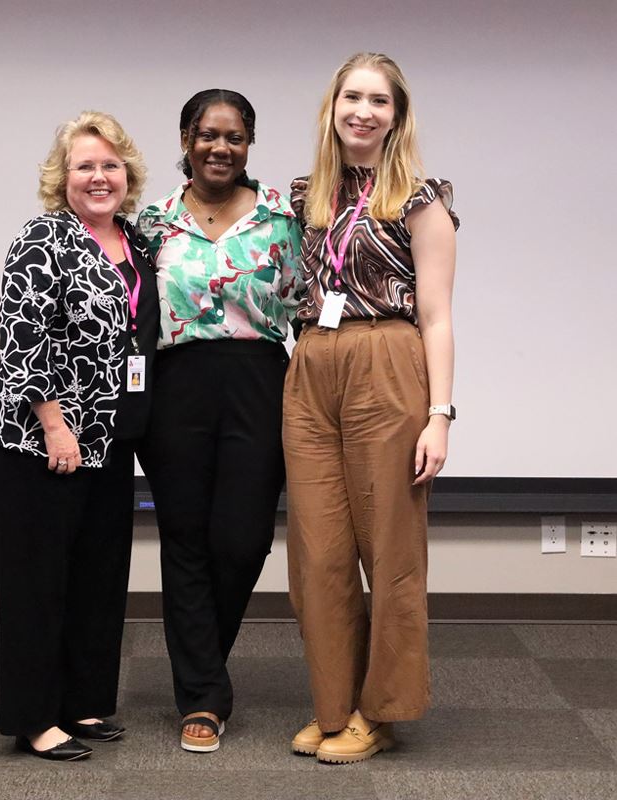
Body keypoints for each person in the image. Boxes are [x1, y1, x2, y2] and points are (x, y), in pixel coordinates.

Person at [284, 52, 459, 764]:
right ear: (332, 108)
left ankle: (380, 710)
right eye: (351, 97)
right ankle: (334, 705)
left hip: (387, 360)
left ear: (397, 116)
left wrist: (440, 415)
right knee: (318, 552)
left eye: (379, 101)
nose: (363, 111)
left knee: (390, 550)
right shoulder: (306, 197)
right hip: (311, 363)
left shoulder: (421, 200)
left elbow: (437, 317)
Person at [0, 111, 159, 761]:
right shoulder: (43, 238)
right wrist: (54, 425)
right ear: (63, 177)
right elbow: (22, 342)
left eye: (110, 164)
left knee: (97, 576)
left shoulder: (136, 243)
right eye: (85, 166)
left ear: (128, 174)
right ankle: (33, 717)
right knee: (37, 581)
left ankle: (82, 700)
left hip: (107, 440)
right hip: (35, 439)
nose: (99, 176)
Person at [136, 89, 302, 753]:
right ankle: (202, 696)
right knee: (184, 540)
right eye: (208, 134)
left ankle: (203, 666)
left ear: (249, 144)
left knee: (242, 540)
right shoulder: (152, 223)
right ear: (186, 139)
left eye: (234, 136)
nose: (220, 148)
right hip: (175, 387)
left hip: (258, 382)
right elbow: (133, 315)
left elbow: (308, 307)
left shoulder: (282, 219)